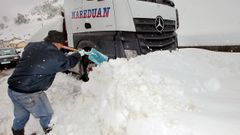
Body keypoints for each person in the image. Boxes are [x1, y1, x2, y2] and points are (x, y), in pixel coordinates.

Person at [7, 30, 85, 135]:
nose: (61, 47)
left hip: (13, 89)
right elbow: (68, 63)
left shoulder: (31, 46)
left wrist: (58, 53)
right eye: (61, 45)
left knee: (21, 116)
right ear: (57, 43)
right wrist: (78, 54)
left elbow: (44, 56)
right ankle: (50, 132)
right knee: (47, 115)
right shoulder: (54, 56)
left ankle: (17, 133)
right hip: (28, 92)